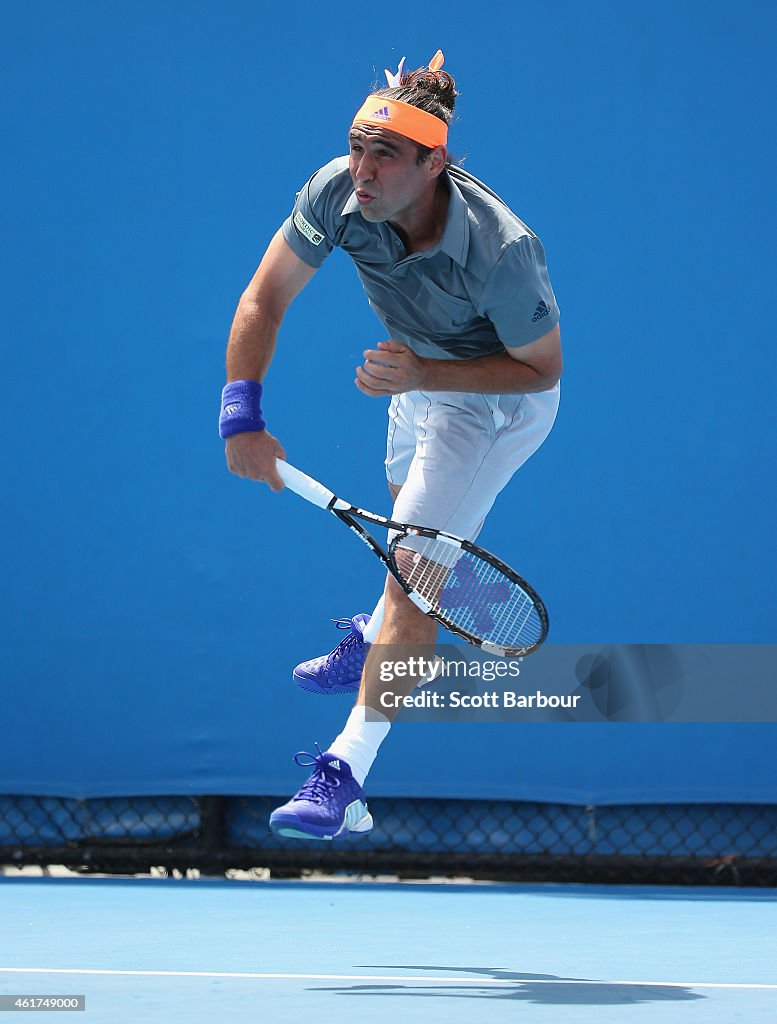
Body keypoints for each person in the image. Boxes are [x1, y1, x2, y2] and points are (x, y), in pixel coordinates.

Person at [220, 51, 562, 841]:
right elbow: (263, 298)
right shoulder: (336, 192)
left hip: (492, 406)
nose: (361, 170)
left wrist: (427, 370)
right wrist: (241, 413)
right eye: (355, 147)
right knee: (406, 570)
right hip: (413, 386)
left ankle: (342, 774)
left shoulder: (502, 250)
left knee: (414, 584)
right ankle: (372, 637)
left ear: (433, 163)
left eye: (384, 156)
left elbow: (541, 370)